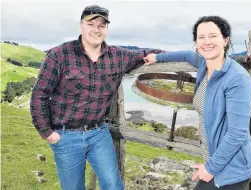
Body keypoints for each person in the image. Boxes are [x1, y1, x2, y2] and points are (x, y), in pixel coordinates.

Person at [30, 5, 165, 190]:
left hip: (98, 133)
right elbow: (39, 95)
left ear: (107, 29)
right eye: (91, 23)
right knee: (73, 187)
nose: (96, 29)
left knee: (113, 185)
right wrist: (47, 133)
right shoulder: (59, 55)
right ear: (81, 26)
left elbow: (148, 53)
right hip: (65, 135)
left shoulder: (118, 56)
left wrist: (192, 55)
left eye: (102, 25)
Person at [143, 16, 251, 189]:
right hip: (216, 159)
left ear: (225, 40)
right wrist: (157, 58)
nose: (207, 42)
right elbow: (186, 55)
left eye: (213, 36)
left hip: (234, 166)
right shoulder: (204, 65)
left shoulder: (237, 79)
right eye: (201, 37)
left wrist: (210, 168)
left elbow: (237, 133)